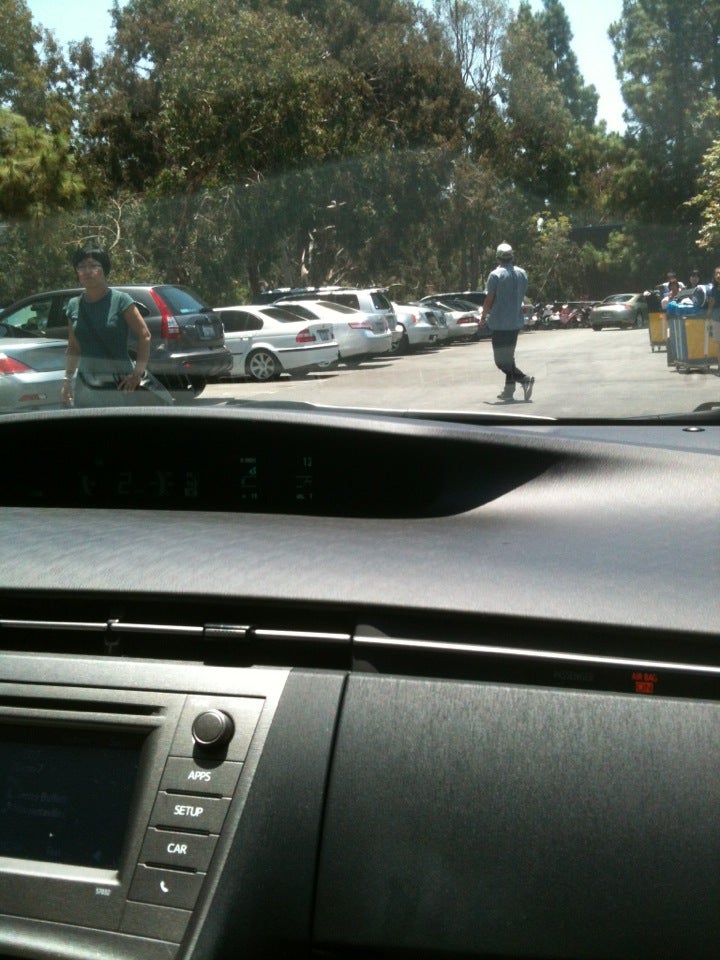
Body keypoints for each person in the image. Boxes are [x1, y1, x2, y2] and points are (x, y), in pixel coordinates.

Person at [60, 245, 160, 407]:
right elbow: (73, 348)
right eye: (81, 267)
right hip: (87, 385)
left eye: (93, 265)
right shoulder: (73, 305)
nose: (87, 271)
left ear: (104, 269)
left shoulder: (121, 300)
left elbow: (145, 336)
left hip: (121, 384)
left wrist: (137, 374)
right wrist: (67, 381)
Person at [480, 243, 534, 401]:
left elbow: (489, 299)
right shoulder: (522, 273)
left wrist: (483, 317)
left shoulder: (495, 275)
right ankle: (509, 391)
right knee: (509, 358)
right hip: (515, 322)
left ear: (497, 257)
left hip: (499, 323)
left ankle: (524, 379)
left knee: (500, 361)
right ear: (512, 256)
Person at [705, 265, 720, 350]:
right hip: (717, 321)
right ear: (714, 276)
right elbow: (710, 306)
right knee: (719, 345)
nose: (718, 275)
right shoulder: (712, 291)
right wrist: (707, 315)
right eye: (717, 274)